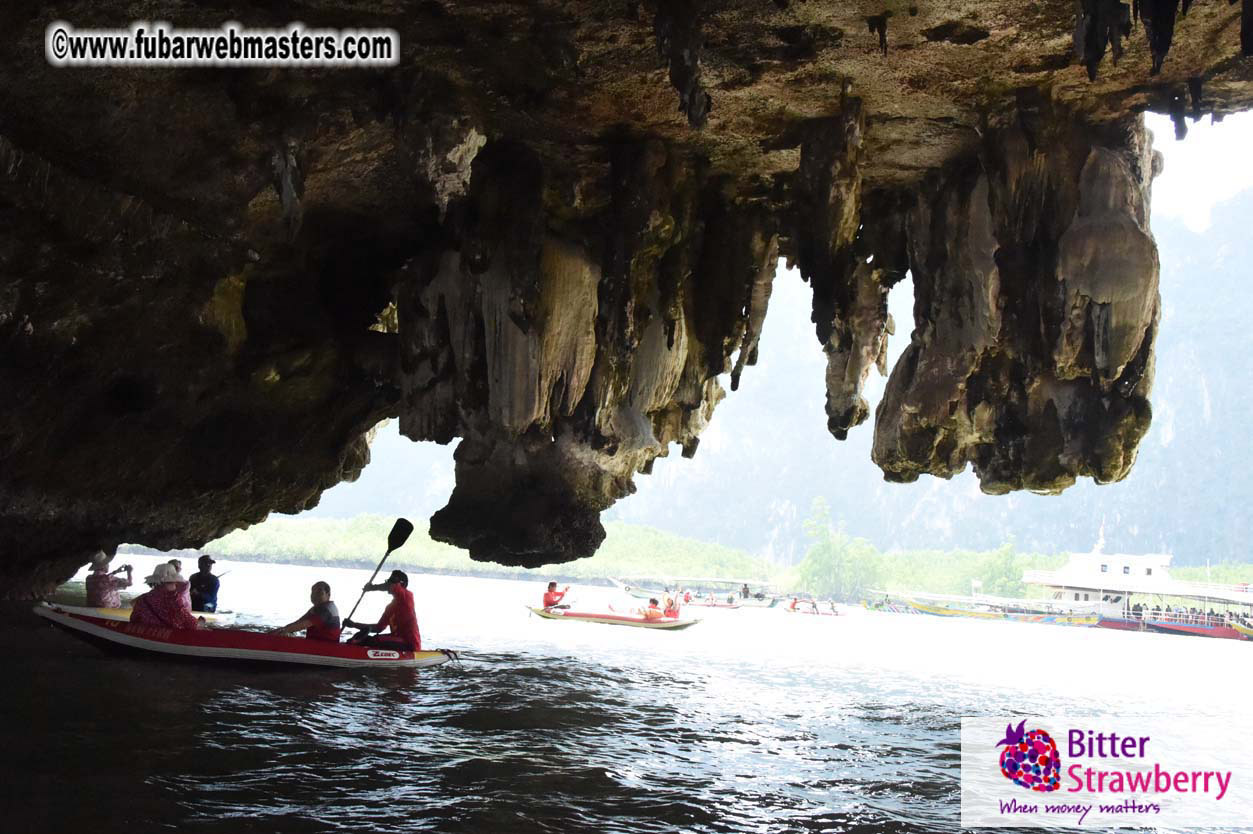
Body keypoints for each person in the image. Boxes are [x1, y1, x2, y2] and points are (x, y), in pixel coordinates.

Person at [343, 569, 421, 651]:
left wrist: (372, 588)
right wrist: (354, 624)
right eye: (389, 580)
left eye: (393, 580)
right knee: (364, 638)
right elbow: (378, 628)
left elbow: (391, 587)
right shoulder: (390, 608)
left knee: (374, 640)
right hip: (396, 639)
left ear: (403, 584)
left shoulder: (408, 596)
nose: (389, 583)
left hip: (409, 643)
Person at [130, 563, 202, 629]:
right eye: (174, 582)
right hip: (166, 638)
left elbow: (134, 619)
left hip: (147, 637)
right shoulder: (173, 599)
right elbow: (188, 621)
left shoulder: (143, 599)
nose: (176, 585)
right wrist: (199, 623)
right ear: (169, 583)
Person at [273, 581, 341, 641]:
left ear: (328, 595)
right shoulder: (316, 608)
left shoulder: (327, 609)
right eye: (313, 592)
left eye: (319, 592)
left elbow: (304, 624)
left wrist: (283, 631)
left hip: (325, 647)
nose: (315, 595)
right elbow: (299, 622)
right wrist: (282, 629)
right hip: (314, 643)